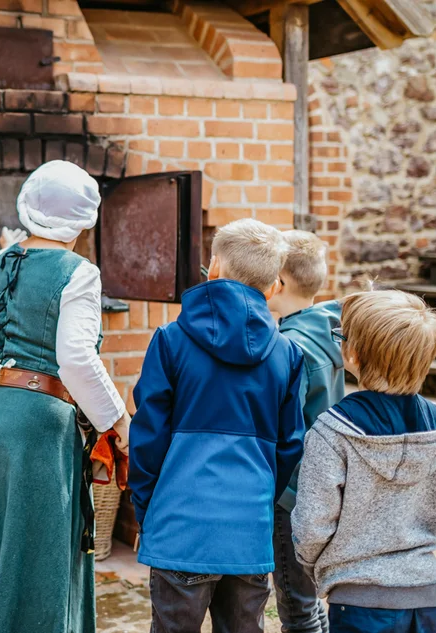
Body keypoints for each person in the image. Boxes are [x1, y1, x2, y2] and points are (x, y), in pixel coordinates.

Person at [0, 161, 130, 633]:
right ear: (82, 222)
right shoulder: (80, 273)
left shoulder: (2, 260)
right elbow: (75, 358)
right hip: (34, 423)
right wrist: (118, 421)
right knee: (32, 551)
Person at [129, 218, 306, 633]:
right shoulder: (288, 355)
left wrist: (148, 509)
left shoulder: (170, 341)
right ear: (273, 286)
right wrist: (258, 499)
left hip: (180, 525)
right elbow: (289, 447)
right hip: (248, 528)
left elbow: (147, 439)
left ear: (214, 268)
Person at [292, 290, 436, 633]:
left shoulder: (332, 431)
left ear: (353, 354)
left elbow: (312, 526)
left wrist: (325, 563)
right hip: (422, 595)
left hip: (356, 597)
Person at [266, 230, 344, 633]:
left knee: (296, 608)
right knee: (310, 601)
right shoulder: (327, 328)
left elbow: (283, 425)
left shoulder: (291, 347)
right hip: (320, 483)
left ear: (276, 282)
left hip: (291, 494)